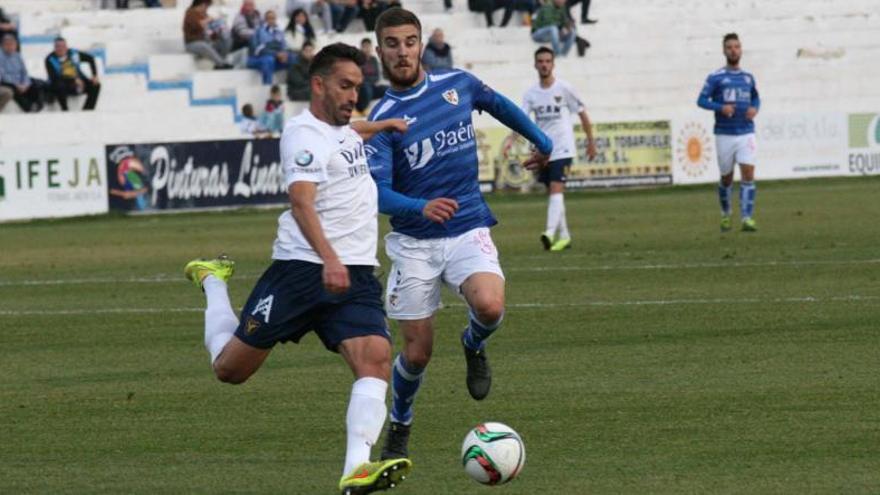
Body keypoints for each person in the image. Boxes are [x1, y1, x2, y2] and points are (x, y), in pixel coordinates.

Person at [183, 43, 413, 495]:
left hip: (356, 274)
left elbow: (351, 136)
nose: (353, 95)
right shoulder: (302, 135)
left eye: (358, 87)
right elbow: (301, 201)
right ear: (318, 84)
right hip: (303, 271)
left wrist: (381, 124)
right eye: (345, 86)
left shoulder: (344, 129)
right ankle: (212, 280)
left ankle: (356, 469)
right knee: (230, 370)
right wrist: (328, 257)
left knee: (376, 360)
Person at [364, 8, 553, 461]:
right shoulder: (383, 119)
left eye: (409, 41)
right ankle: (401, 422)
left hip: (467, 224)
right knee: (418, 353)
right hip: (413, 243)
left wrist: (541, 140)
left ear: (421, 43)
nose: (403, 51)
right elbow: (377, 194)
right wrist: (419, 207)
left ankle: (473, 343)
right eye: (392, 43)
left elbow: (500, 104)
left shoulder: (457, 85)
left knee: (490, 306)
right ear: (379, 51)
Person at [502, 46, 596, 251]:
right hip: (543, 151)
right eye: (541, 61)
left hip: (563, 149)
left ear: (553, 64)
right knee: (554, 194)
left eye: (547, 61)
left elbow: (582, 114)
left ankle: (549, 232)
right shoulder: (531, 94)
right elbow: (521, 120)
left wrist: (590, 141)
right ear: (535, 65)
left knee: (556, 189)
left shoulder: (565, 89)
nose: (544, 64)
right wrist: (511, 139)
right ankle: (565, 236)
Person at [697, 32, 761, 232]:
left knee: (748, 174)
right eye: (729, 47)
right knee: (726, 178)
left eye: (737, 47)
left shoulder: (748, 78)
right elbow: (701, 101)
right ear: (724, 51)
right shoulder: (716, 77)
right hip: (724, 133)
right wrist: (720, 107)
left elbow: (756, 98)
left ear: (741, 50)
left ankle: (747, 218)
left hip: (746, 132)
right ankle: (726, 214)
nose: (734, 50)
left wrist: (755, 108)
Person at [44, 37, 100, 111]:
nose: (60, 49)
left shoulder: (74, 54)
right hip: (63, 84)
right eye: (58, 46)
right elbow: (54, 77)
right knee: (59, 85)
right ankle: (65, 109)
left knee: (96, 85)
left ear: (66, 47)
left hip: (78, 82)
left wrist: (94, 75)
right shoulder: (49, 59)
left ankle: (87, 110)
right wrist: (73, 80)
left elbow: (90, 59)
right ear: (54, 48)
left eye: (62, 46)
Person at [247, 10, 295, 85]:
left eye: (273, 18)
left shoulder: (279, 32)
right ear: (265, 20)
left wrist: (284, 54)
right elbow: (257, 50)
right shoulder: (258, 31)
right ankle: (267, 87)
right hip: (258, 59)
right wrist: (276, 54)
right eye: (269, 18)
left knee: (293, 58)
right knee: (269, 60)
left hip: (275, 59)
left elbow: (284, 46)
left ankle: (291, 85)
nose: (271, 20)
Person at [183, 0, 233, 70]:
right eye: (207, 6)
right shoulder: (190, 13)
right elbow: (197, 25)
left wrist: (218, 31)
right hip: (192, 44)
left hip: (207, 42)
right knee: (204, 46)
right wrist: (208, 20)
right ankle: (221, 63)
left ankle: (221, 62)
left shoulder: (204, 15)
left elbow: (210, 33)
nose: (207, 8)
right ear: (202, 4)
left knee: (226, 40)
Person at [0, 34, 44, 112]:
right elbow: (3, 75)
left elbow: (24, 72)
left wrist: (25, 84)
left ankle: (39, 105)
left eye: (12, 44)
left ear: (16, 45)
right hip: (6, 82)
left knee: (35, 85)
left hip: (20, 83)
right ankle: (28, 108)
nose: (9, 46)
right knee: (12, 88)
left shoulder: (18, 56)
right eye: (7, 44)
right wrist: (17, 84)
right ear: (2, 45)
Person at [356, 38, 387, 113]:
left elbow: (377, 77)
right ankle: (361, 109)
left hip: (373, 86)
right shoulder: (358, 60)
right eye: (364, 47)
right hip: (362, 88)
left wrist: (368, 80)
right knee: (366, 88)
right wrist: (366, 80)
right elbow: (359, 77)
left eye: (368, 47)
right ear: (361, 48)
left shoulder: (374, 60)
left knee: (387, 89)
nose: (366, 49)